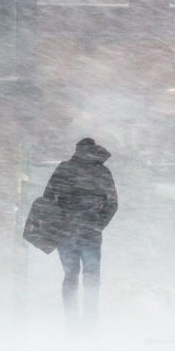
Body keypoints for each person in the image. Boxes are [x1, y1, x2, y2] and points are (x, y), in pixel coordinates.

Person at [42, 138, 118, 330]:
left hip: (66, 232)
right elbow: (112, 204)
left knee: (70, 275)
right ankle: (90, 319)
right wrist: (98, 223)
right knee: (91, 276)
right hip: (90, 233)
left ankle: (71, 319)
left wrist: (58, 220)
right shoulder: (102, 171)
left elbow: (47, 199)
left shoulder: (65, 169)